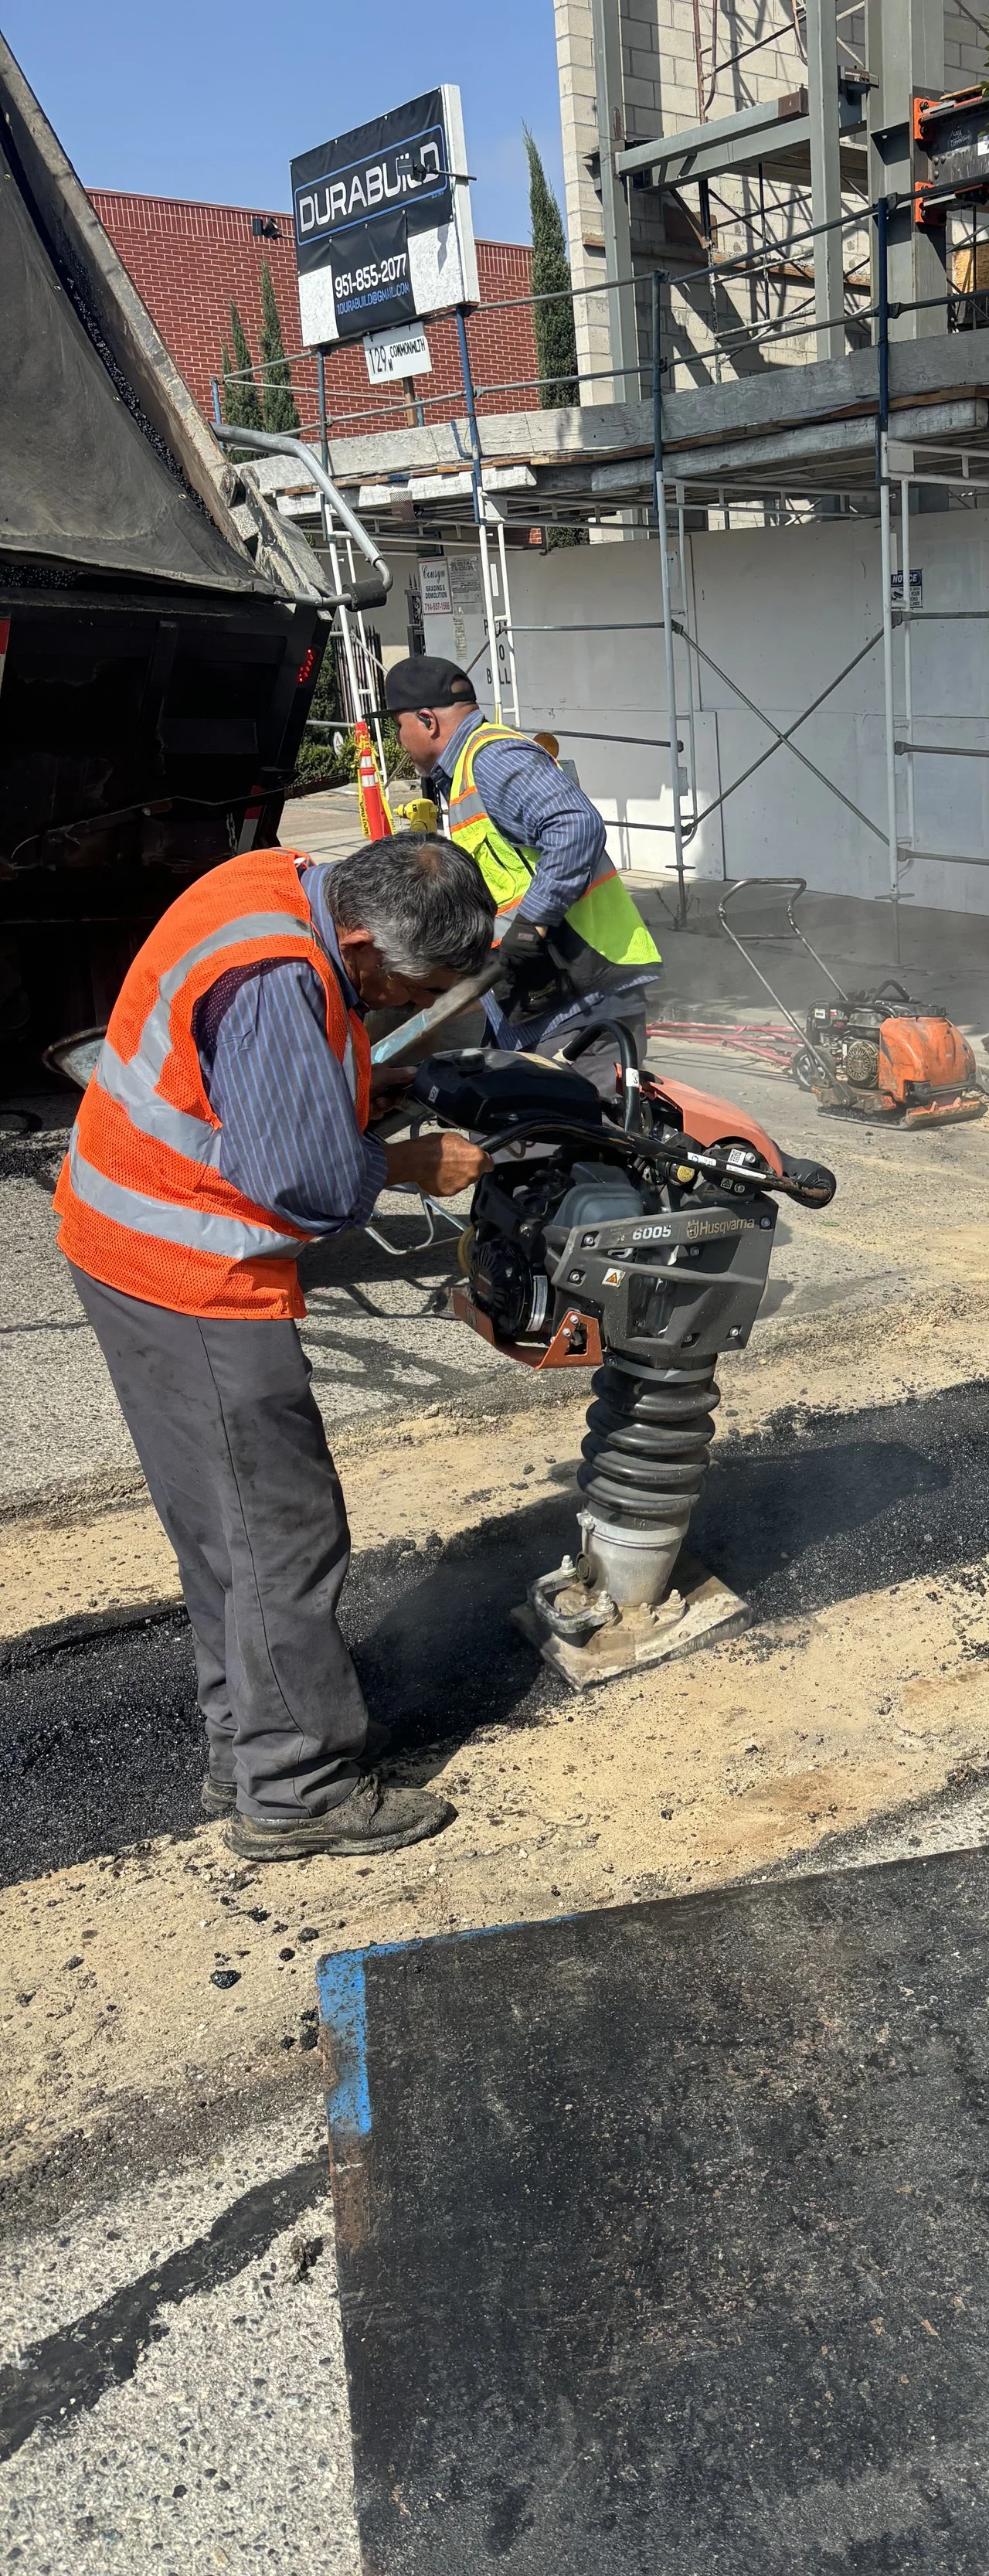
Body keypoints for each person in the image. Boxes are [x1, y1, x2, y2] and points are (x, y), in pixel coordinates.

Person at [54, 835, 498, 1861]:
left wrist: (343, 1090)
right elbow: (300, 1183)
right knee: (283, 1530)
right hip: (185, 1271)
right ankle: (298, 1790)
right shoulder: (276, 978)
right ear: (357, 935)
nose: (393, 1003)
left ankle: (246, 1749)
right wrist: (405, 1161)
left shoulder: (275, 884)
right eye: (400, 985)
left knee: (224, 1529)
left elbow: (261, 1080)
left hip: (124, 1241)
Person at [383, 655, 662, 1051]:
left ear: (427, 720)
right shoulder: (467, 769)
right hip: (539, 990)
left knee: (580, 1111)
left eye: (399, 725)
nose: (399, 739)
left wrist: (533, 922)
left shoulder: (492, 758)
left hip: (583, 990)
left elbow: (576, 825)